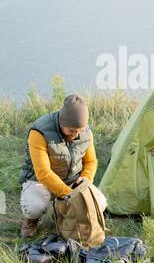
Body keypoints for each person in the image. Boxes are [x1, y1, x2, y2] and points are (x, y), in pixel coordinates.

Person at [20, 94, 106, 237]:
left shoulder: (85, 132)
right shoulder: (39, 132)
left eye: (80, 130)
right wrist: (69, 195)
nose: (76, 134)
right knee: (35, 207)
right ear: (61, 122)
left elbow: (91, 162)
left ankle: (61, 213)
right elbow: (43, 173)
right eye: (72, 130)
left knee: (101, 203)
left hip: (73, 179)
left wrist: (86, 178)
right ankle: (31, 221)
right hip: (40, 181)